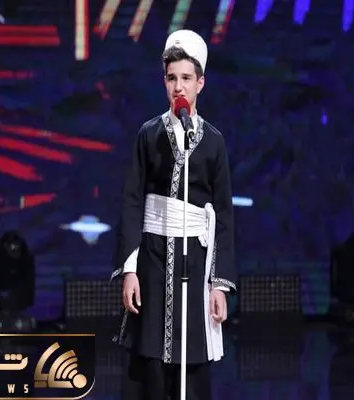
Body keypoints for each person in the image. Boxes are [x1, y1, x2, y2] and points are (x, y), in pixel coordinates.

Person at [110, 29, 237, 400]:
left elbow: (224, 214)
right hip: (152, 259)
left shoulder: (213, 141)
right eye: (171, 78)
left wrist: (219, 284)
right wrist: (130, 270)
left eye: (186, 78)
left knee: (191, 369)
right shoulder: (148, 134)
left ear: (200, 83)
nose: (178, 87)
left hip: (195, 263)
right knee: (150, 365)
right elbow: (132, 200)